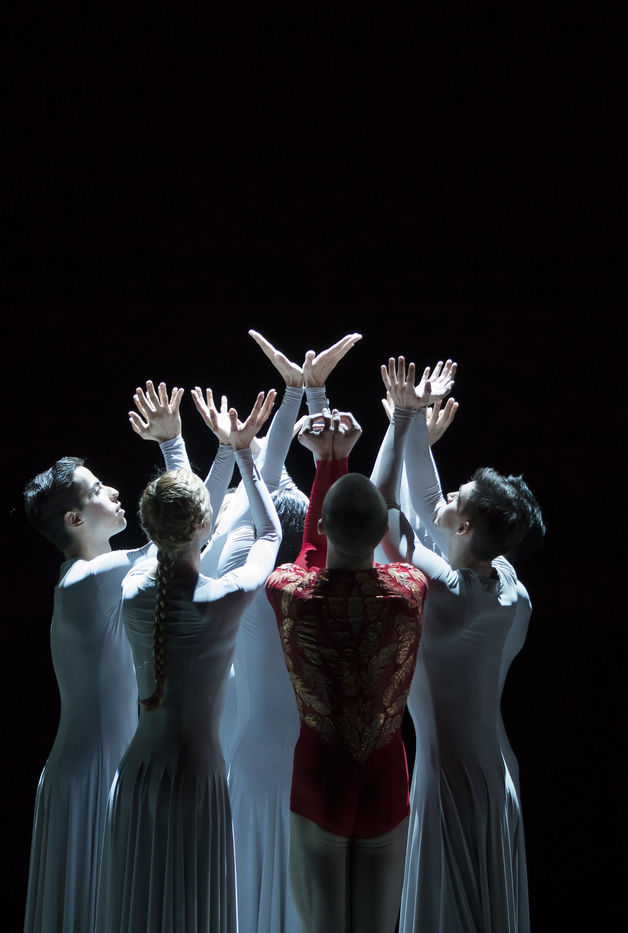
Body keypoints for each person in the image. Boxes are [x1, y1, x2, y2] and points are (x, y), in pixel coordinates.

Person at [22, 381, 207, 933]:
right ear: (75, 520)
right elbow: (181, 529)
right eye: (98, 490)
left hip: (93, 763)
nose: (115, 492)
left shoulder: (88, 579)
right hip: (93, 770)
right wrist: (172, 443)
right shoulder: (87, 579)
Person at [96, 389, 280, 933]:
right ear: (206, 527)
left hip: (139, 773)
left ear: (148, 528)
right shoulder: (225, 597)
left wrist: (179, 446)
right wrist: (242, 451)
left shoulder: (133, 589)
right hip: (197, 777)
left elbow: (183, 519)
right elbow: (270, 531)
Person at [378, 358, 545, 933]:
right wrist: (416, 427)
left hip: (450, 778)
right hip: (494, 770)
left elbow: (384, 509)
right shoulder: (509, 587)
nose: (447, 494)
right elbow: (431, 504)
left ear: (468, 529)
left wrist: (404, 420)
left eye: (460, 496)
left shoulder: (446, 591)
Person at [214, 329, 360, 933]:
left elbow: (263, 498)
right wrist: (313, 399)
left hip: (252, 759)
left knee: (249, 893)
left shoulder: (244, 588)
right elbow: (347, 514)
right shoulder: (336, 595)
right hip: (316, 766)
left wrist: (295, 397)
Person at [264, 406, 430, 933]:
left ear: (322, 523)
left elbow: (313, 553)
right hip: (386, 780)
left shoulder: (290, 593)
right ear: (381, 532)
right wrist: (340, 459)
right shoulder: (409, 590)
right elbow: (343, 540)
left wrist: (329, 461)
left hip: (322, 778)